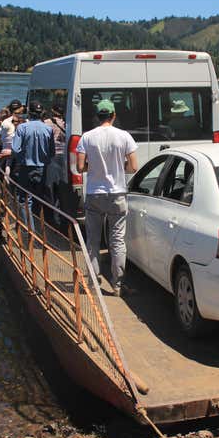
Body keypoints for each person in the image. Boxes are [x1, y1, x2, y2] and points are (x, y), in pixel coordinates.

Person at [76, 99, 138, 297]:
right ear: (113, 116)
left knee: (93, 241)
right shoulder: (124, 136)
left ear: (97, 116)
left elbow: (79, 167)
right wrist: (122, 168)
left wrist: (91, 168)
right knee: (117, 241)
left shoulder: (86, 137)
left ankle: (93, 284)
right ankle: (117, 285)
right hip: (117, 194)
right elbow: (133, 167)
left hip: (95, 193)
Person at [12, 100, 55, 217]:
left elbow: (15, 149)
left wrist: (23, 158)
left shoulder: (22, 128)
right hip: (42, 168)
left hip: (26, 168)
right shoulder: (48, 129)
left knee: (24, 200)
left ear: (29, 112)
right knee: (39, 199)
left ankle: (28, 231)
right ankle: (41, 228)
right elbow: (52, 152)